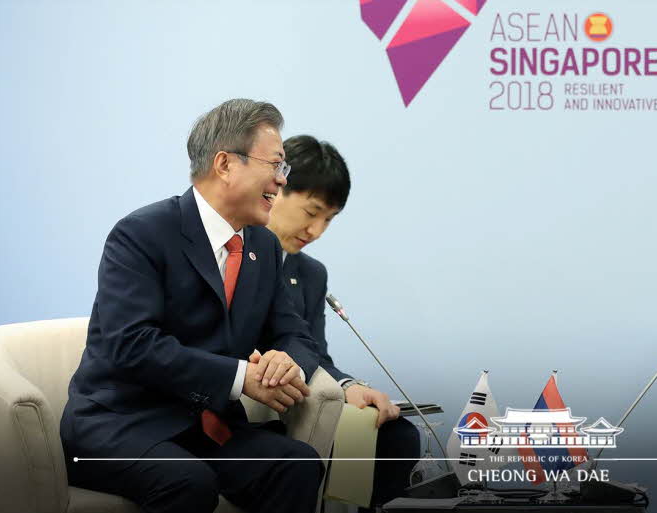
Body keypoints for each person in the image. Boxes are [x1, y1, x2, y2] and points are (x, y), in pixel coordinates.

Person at [61, 99, 325, 513]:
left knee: (296, 464)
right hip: (122, 424)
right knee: (189, 482)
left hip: (205, 427)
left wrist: (286, 361)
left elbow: (294, 333)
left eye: (284, 168)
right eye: (275, 165)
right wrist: (241, 378)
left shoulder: (263, 246)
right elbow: (133, 344)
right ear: (225, 164)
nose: (280, 181)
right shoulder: (141, 234)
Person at [267, 134, 421, 506]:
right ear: (277, 188)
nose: (316, 231)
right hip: (258, 397)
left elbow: (316, 353)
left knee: (397, 436)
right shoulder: (236, 254)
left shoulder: (311, 274)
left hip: (306, 394)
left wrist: (350, 386)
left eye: (328, 220)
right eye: (311, 212)